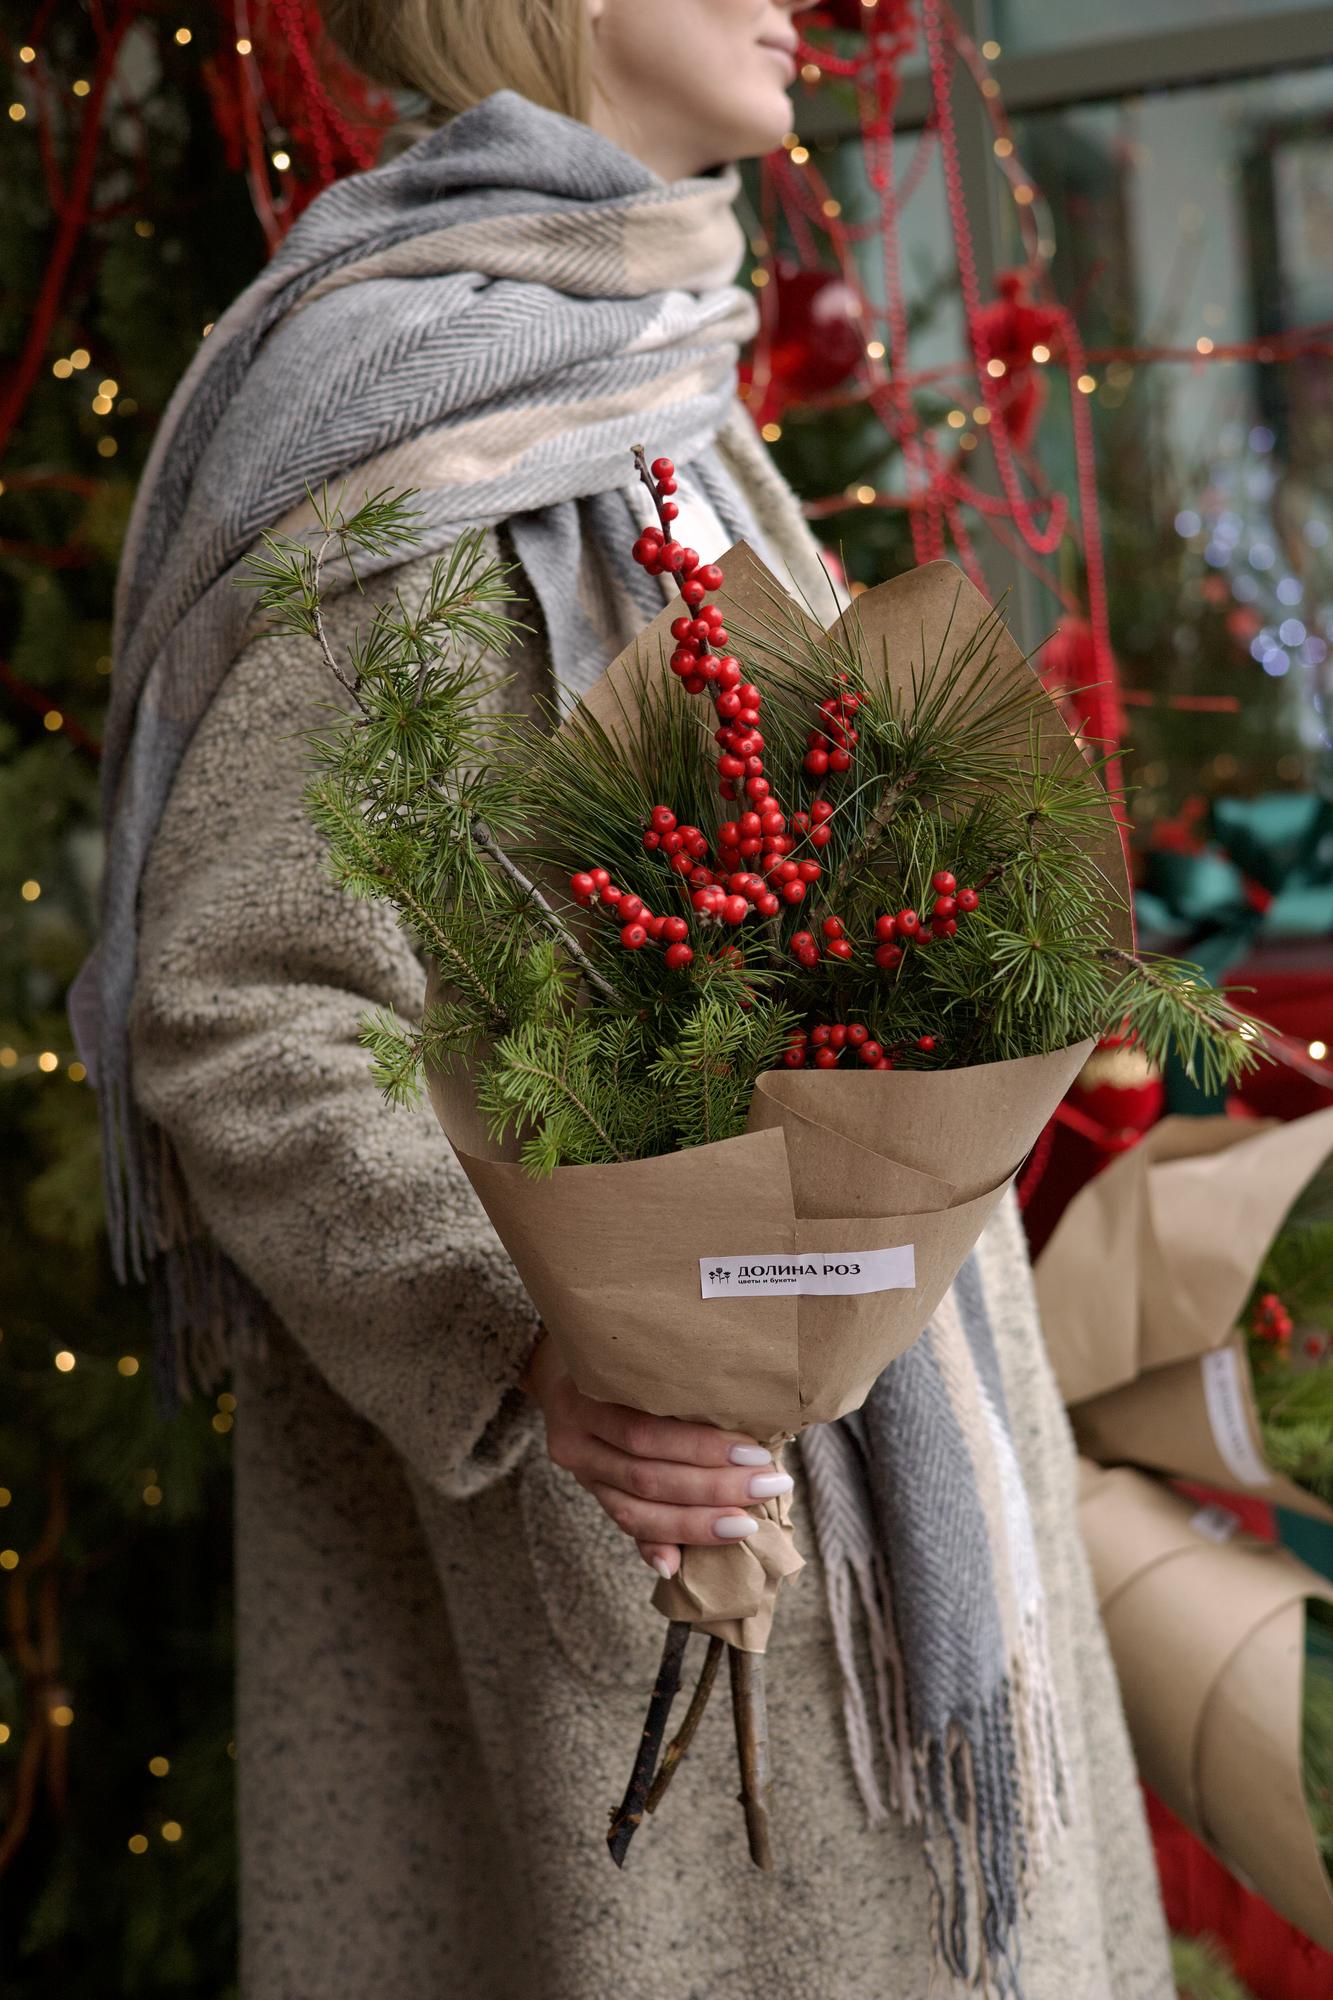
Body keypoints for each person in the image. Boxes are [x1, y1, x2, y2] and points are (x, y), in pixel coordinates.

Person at [83, 2, 1176, 1994]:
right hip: (654, 1574)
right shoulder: (431, 410)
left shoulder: (634, 363)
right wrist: (531, 1348)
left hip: (837, 1508)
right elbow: (242, 1004)